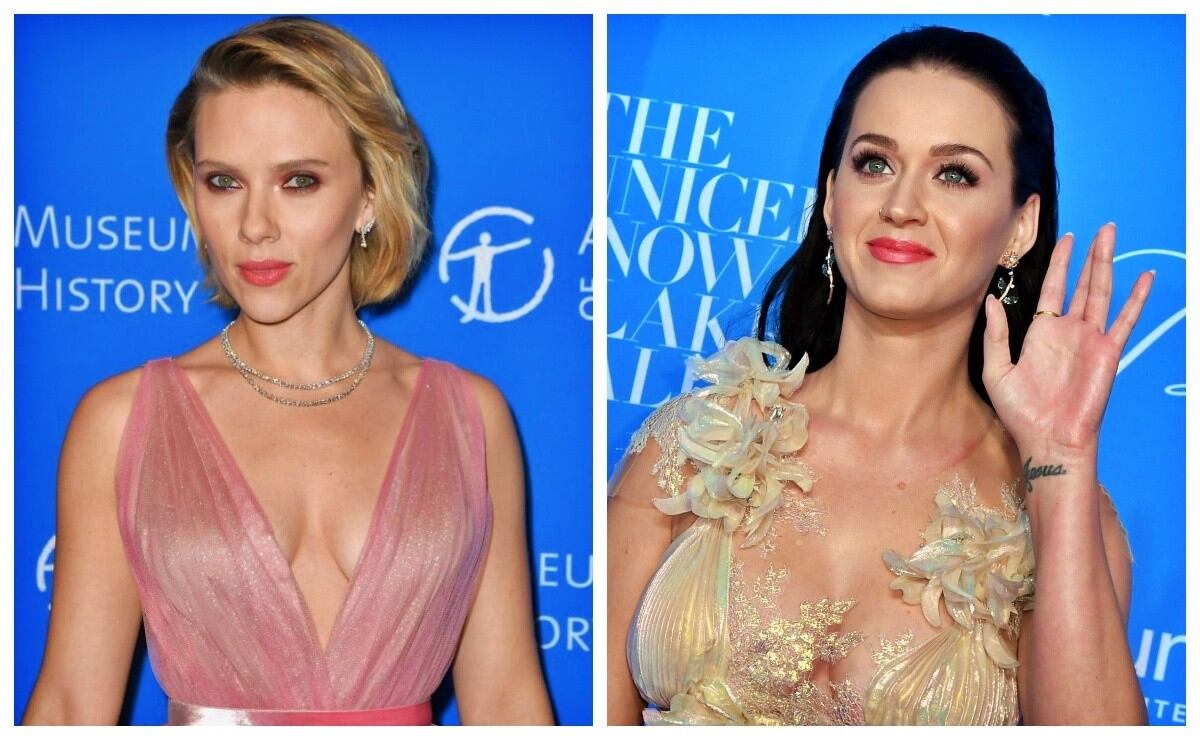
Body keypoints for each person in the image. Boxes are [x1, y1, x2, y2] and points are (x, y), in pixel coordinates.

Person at [608, 26, 1151, 726]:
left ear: (1020, 228)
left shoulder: (1064, 510)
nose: (902, 204)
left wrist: (1059, 460)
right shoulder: (690, 446)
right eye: (875, 163)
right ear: (832, 196)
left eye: (954, 174)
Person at [23, 17, 553, 726]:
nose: (254, 226)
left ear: (370, 195)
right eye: (223, 182)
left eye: (298, 181)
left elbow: (508, 701)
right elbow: (69, 706)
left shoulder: (470, 417)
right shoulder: (122, 422)